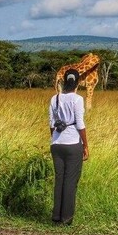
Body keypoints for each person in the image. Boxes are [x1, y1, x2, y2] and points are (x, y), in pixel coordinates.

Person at [49, 68, 89, 225]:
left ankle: (56, 217)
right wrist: (85, 145)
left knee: (59, 180)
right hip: (73, 144)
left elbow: (51, 124)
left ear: (64, 81)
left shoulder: (55, 98)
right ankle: (66, 218)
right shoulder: (77, 99)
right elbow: (80, 124)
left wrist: (55, 138)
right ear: (78, 82)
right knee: (71, 181)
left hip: (56, 144)